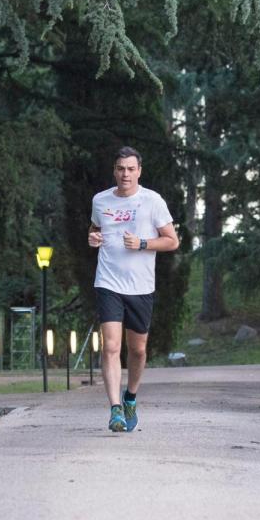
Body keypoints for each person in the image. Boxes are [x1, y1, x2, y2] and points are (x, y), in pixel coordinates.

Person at [88, 146, 179, 432]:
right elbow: (94, 229)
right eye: (120, 168)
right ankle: (115, 410)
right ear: (114, 171)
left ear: (139, 171)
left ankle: (130, 397)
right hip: (108, 282)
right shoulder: (100, 200)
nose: (125, 174)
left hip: (140, 286)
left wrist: (142, 243)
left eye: (130, 169)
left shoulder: (152, 201)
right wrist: (92, 238)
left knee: (137, 350)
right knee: (111, 346)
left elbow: (172, 241)